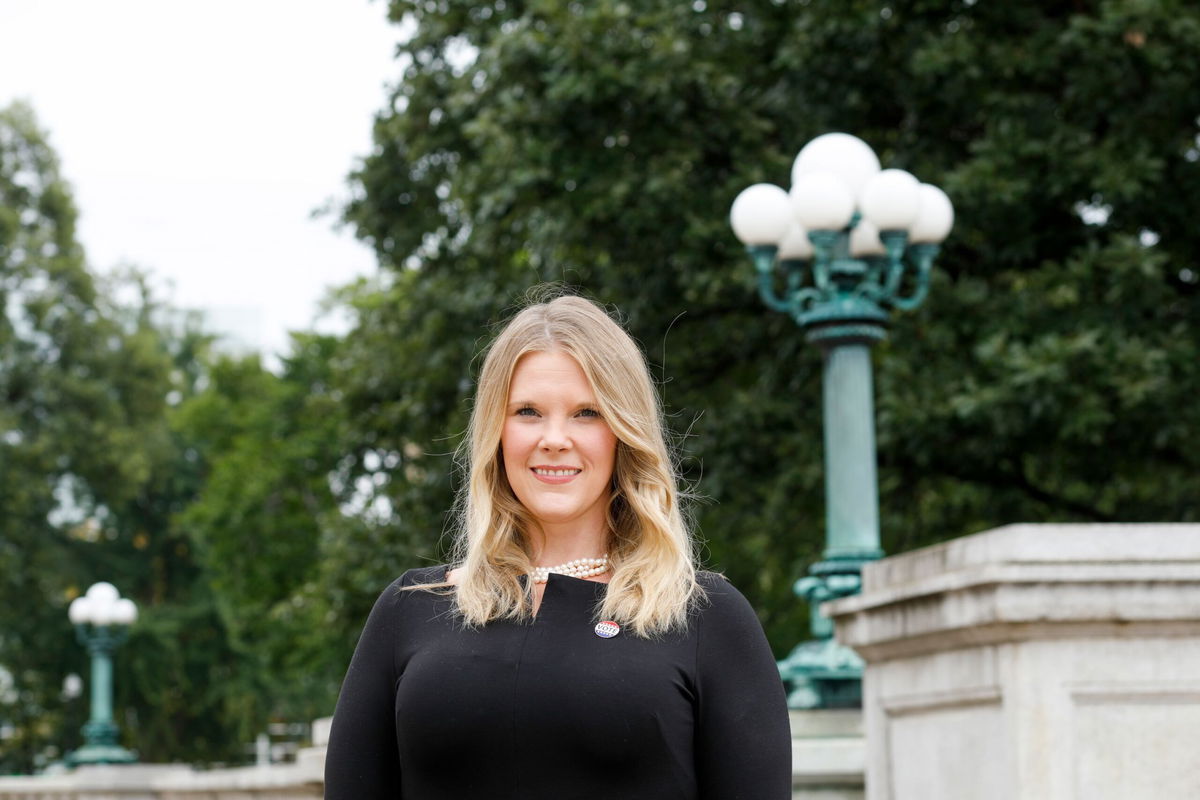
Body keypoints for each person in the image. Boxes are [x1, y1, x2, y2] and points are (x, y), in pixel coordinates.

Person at [324, 291, 791, 799]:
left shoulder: (705, 617)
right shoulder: (409, 610)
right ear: (495, 432)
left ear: (622, 431)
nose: (554, 438)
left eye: (586, 413)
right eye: (527, 411)